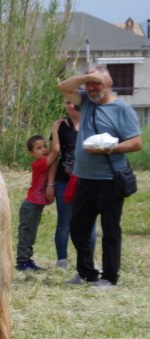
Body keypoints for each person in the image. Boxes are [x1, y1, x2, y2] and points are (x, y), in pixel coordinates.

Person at [57, 67, 142, 288]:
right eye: (90, 84)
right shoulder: (85, 100)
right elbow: (62, 87)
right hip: (84, 179)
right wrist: (87, 77)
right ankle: (86, 273)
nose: (93, 88)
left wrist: (110, 148)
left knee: (110, 230)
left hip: (109, 181)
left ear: (108, 82)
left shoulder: (121, 109)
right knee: (78, 228)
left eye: (98, 83)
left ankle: (110, 278)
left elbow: (136, 142)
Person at [45, 100, 97, 271]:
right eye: (67, 103)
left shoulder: (93, 123)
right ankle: (62, 261)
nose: (69, 106)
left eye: (73, 103)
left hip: (88, 180)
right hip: (63, 181)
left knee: (90, 224)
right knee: (64, 223)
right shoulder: (60, 126)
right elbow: (54, 156)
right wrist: (50, 184)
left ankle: (89, 260)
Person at [16, 134, 58, 271]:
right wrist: (55, 132)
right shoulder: (38, 164)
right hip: (31, 205)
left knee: (31, 233)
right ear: (31, 153)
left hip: (36, 205)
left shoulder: (44, 161)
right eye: (39, 148)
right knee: (26, 233)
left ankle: (27, 259)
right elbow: (56, 152)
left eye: (45, 146)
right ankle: (22, 262)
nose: (44, 149)